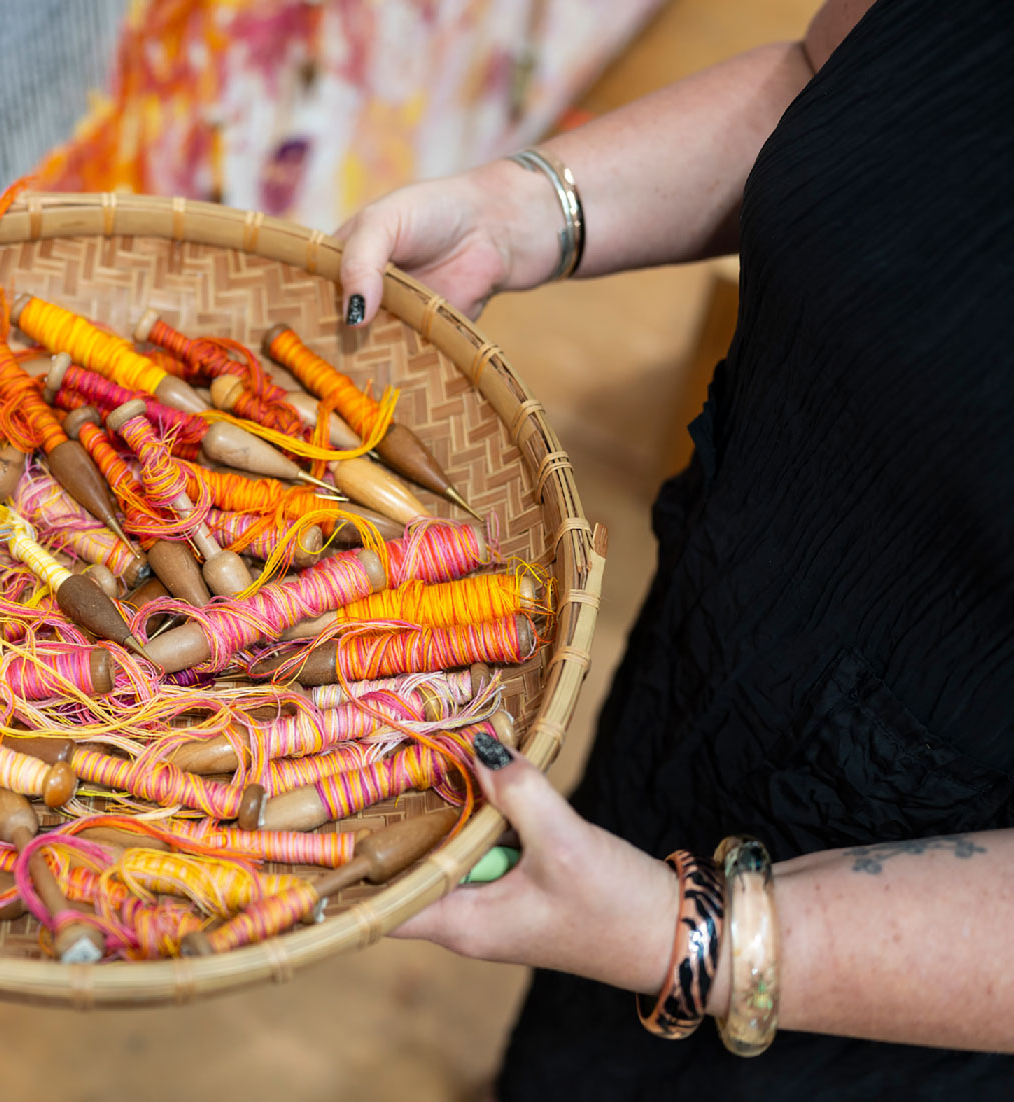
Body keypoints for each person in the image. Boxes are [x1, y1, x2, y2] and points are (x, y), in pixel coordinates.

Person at [334, 0, 1014, 1095]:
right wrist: (522, 209)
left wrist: (684, 938)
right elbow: (825, 83)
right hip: (707, 695)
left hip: (925, 970)